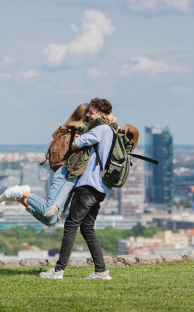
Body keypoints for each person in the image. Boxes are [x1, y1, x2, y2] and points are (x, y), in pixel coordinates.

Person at [0, 104, 118, 227]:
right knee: (48, 210)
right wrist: (111, 121)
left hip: (73, 179)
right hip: (67, 174)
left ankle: (21, 199)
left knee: (50, 220)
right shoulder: (80, 131)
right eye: (89, 114)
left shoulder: (88, 131)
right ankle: (21, 192)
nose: (91, 117)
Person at [39, 97, 115, 280]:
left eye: (92, 112)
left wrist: (79, 138)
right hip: (100, 187)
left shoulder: (100, 130)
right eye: (88, 111)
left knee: (71, 225)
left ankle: (58, 271)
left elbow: (75, 144)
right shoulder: (109, 130)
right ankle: (101, 271)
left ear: (102, 115)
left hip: (88, 184)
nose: (88, 115)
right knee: (87, 227)